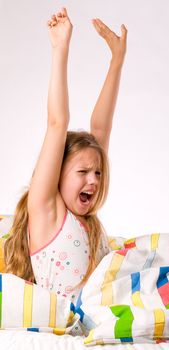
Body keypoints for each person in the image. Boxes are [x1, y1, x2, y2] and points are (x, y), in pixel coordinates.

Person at [4, 7, 127, 302]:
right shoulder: (47, 210)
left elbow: (101, 127)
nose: (94, 180)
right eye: (82, 173)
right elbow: (57, 123)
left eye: (97, 173)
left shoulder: (88, 220)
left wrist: (117, 61)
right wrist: (60, 48)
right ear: (56, 174)